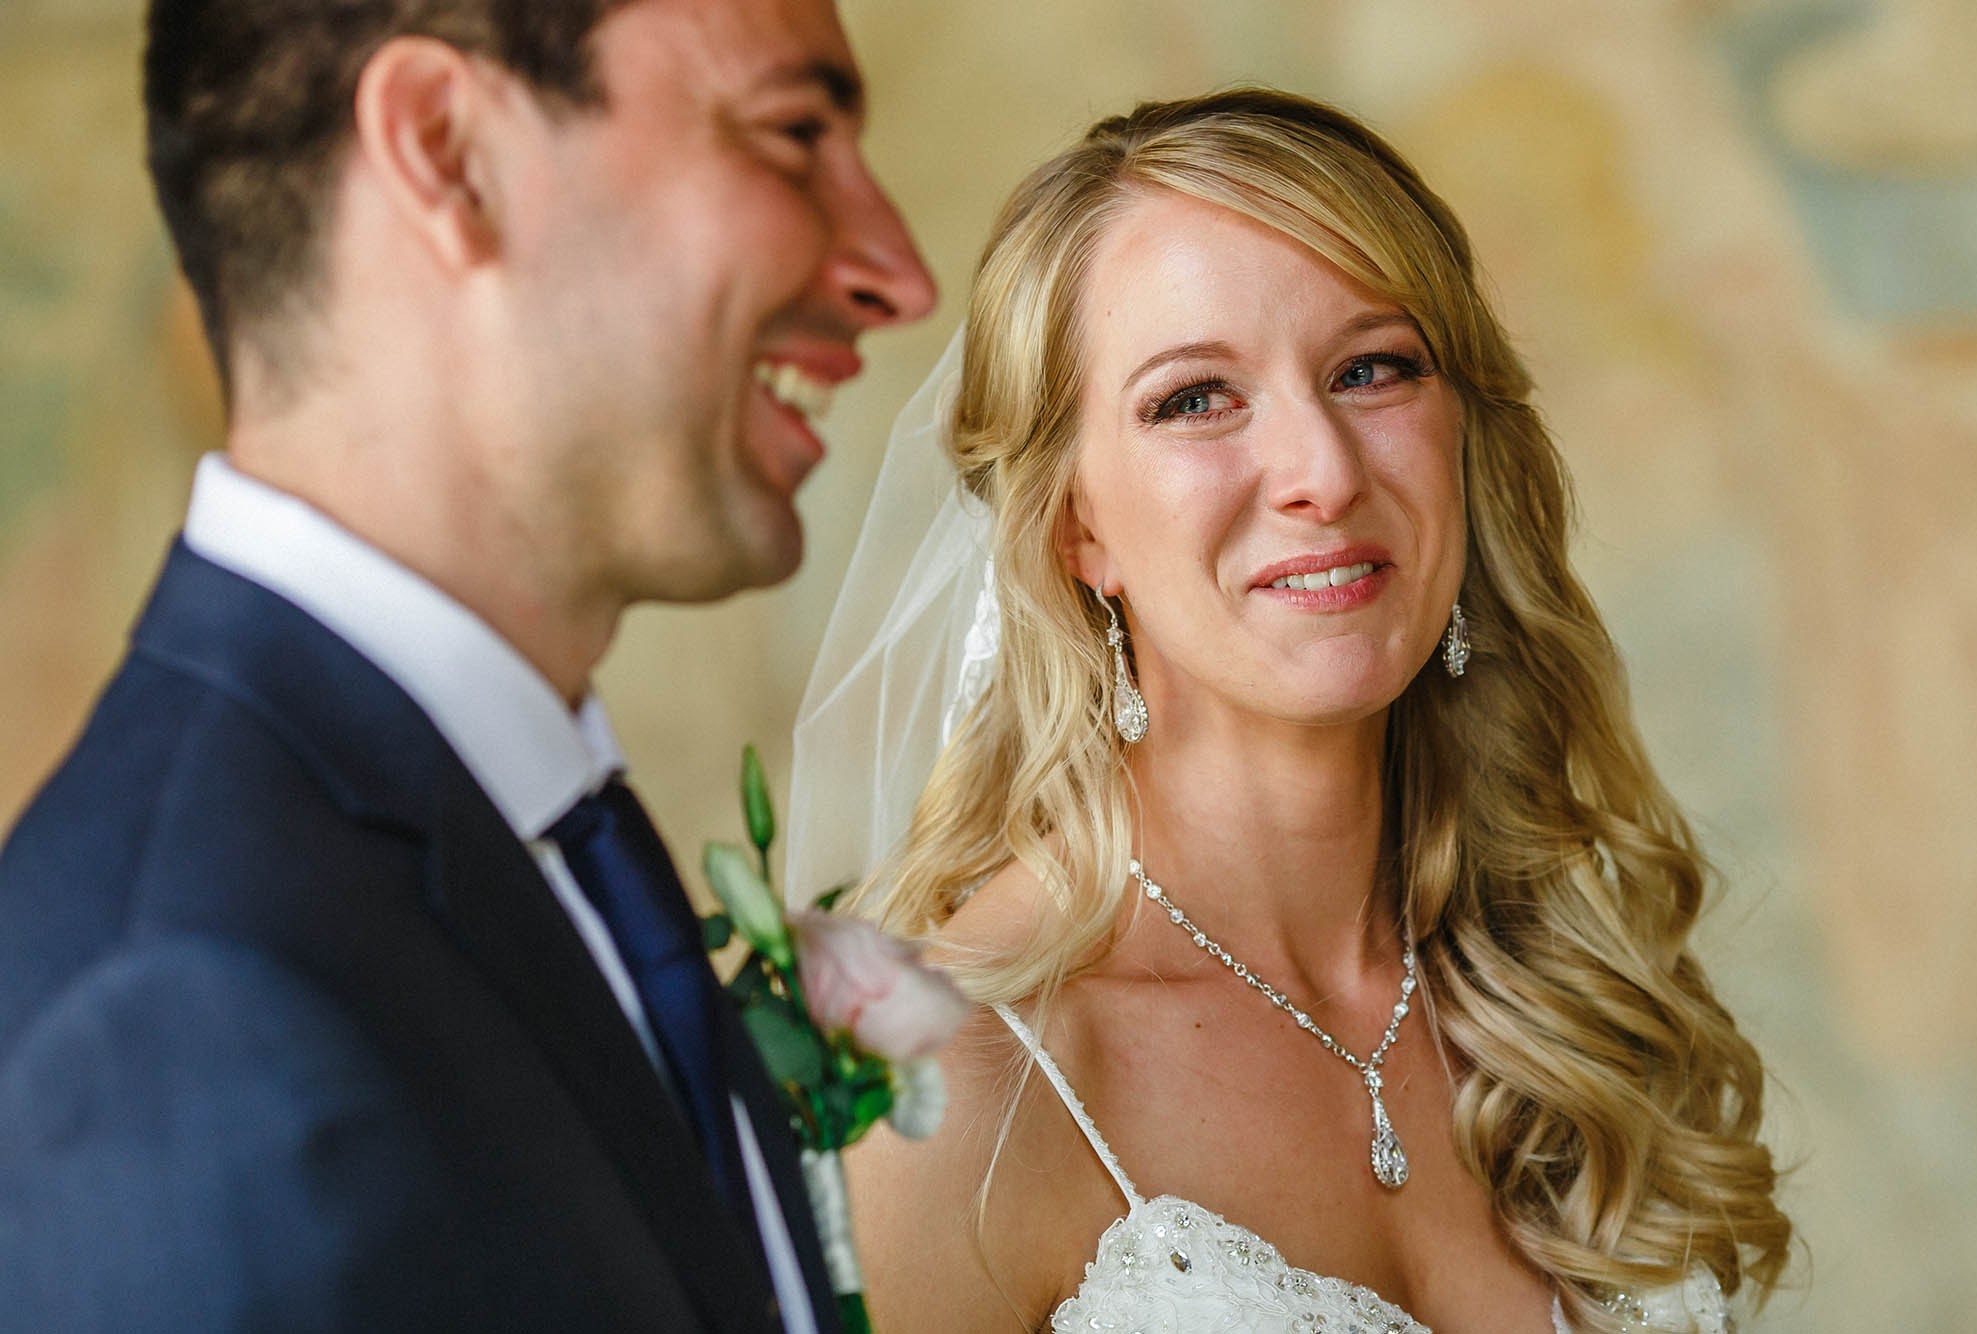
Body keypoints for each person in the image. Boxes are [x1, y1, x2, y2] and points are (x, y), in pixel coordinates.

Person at [788, 90, 1790, 1332]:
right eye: (1195, 398)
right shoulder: (956, 1081)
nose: (1322, 471)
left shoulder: (1563, 994)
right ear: (1075, 525)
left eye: (1371, 369)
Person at [0, 0, 934, 1329]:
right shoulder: (178, 1022)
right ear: (449, 153)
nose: (897, 273)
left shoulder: (536, 835)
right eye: (794, 134)